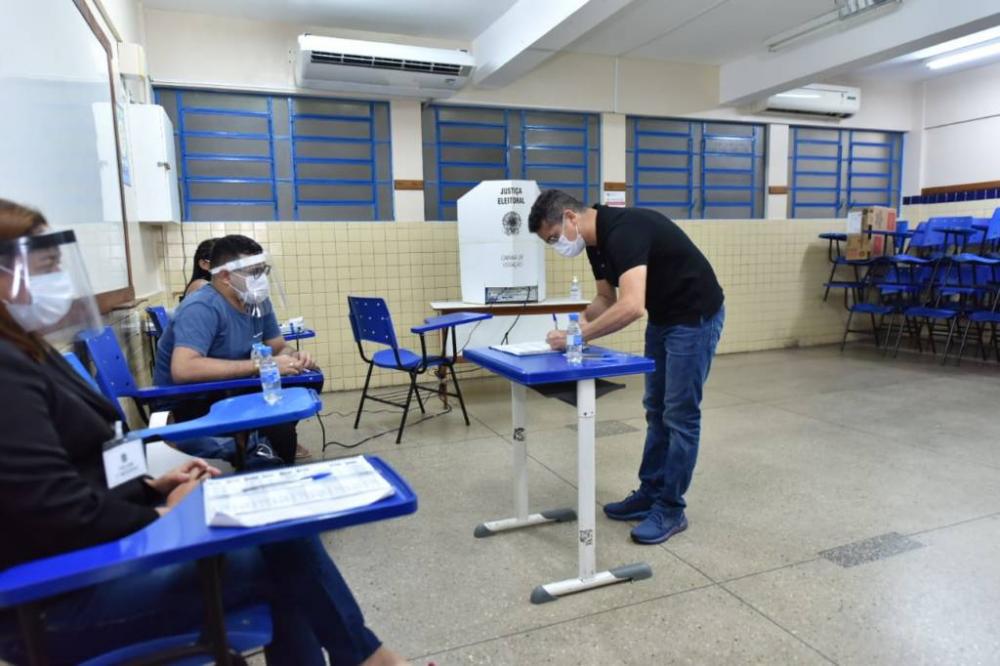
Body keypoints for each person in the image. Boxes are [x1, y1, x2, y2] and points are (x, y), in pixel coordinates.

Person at [0, 199, 407, 666]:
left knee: (281, 534)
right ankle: (370, 658)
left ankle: (366, 656)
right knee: (285, 554)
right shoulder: (6, 369)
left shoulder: (27, 352)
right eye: (47, 267)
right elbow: (47, 506)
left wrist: (150, 487)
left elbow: (77, 472)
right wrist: (156, 515)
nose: (62, 282)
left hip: (90, 560)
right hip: (57, 601)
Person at [529, 190, 725, 545]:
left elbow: (633, 306)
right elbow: (608, 298)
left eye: (554, 238)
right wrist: (573, 327)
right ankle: (650, 492)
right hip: (665, 318)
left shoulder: (624, 231)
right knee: (655, 409)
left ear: (571, 218)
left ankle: (670, 508)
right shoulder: (595, 243)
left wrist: (580, 338)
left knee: (679, 415)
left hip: (695, 317)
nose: (557, 246)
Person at [154, 234, 318, 463]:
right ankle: (260, 453)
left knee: (309, 378)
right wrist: (263, 365)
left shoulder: (257, 302)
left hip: (231, 388)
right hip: (191, 401)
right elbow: (184, 369)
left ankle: (260, 445)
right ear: (224, 276)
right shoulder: (201, 307)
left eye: (263, 271)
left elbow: (279, 346)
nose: (260, 279)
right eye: (253, 272)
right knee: (279, 428)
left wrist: (294, 357)